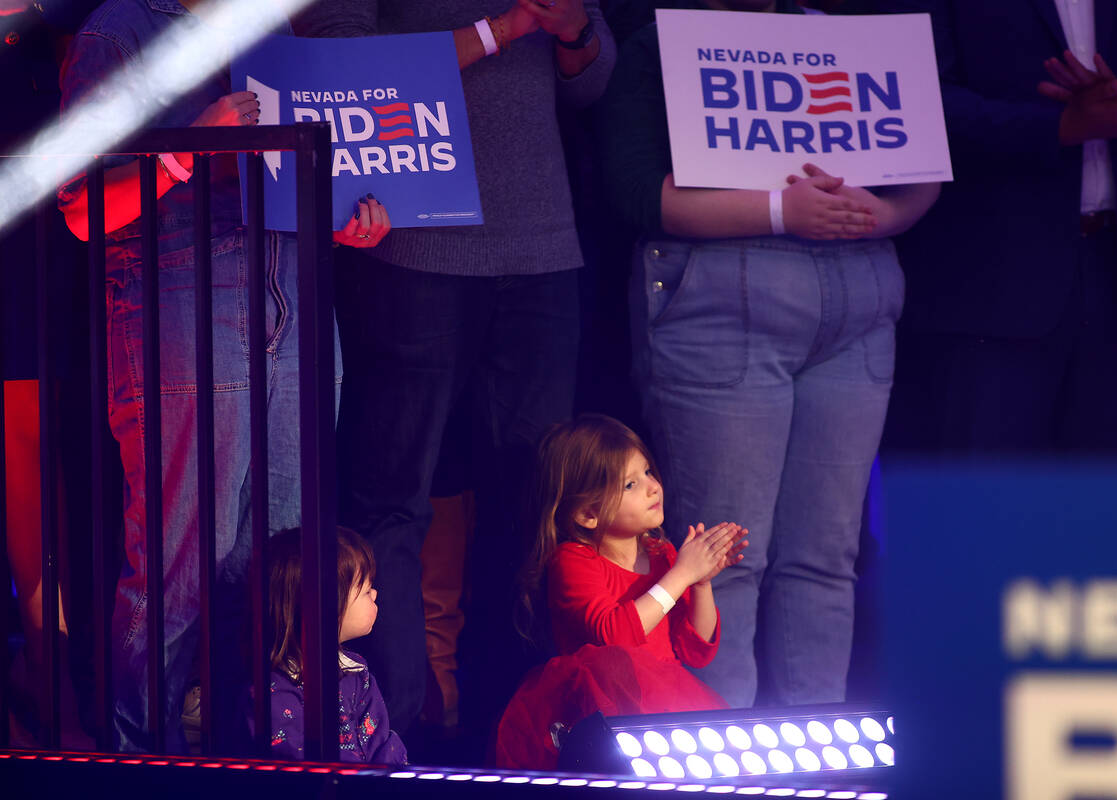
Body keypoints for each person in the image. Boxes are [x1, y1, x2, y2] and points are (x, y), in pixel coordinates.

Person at [57, 0, 390, 751]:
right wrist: (182, 155)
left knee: (279, 568)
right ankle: (142, 762)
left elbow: (277, 181)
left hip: (291, 298)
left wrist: (337, 214)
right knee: (181, 568)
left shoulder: (267, 32)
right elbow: (79, 209)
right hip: (180, 305)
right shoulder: (120, 34)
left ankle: (254, 750)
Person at [599, 0, 941, 708]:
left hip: (860, 295)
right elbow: (634, 191)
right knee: (724, 562)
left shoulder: (847, 32)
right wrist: (783, 211)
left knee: (826, 559)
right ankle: (726, 771)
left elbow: (921, 162)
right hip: (725, 303)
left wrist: (889, 214)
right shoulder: (661, 44)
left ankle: (817, 766)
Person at [293, 0, 616, 738]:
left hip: (541, 249)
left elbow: (589, 87)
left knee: (539, 503)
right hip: (412, 242)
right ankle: (395, 733)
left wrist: (571, 31)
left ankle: (524, 728)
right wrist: (503, 28)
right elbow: (341, 58)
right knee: (394, 497)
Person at [880, 0, 1117, 453]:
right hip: (988, 283)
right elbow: (905, 96)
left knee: (1116, 514)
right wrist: (1059, 127)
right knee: (982, 509)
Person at [496, 414, 745, 770]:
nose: (652, 486)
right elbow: (614, 635)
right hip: (603, 723)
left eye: (647, 471)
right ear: (588, 514)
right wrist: (681, 575)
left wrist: (700, 581)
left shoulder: (663, 555)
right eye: (630, 484)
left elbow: (696, 650)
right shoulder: (573, 561)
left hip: (663, 711)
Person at [256, 526, 407, 765]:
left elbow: (380, 744)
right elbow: (295, 764)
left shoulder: (357, 672)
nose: (376, 594)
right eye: (367, 590)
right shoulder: (272, 691)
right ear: (325, 607)